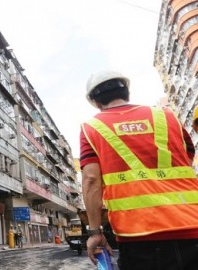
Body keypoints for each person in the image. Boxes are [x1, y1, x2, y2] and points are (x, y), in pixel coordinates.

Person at [80, 70, 198, 269]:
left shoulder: (91, 128)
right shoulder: (167, 116)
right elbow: (186, 156)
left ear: (95, 101)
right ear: (127, 92)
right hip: (191, 223)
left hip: (138, 234)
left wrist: (95, 232)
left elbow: (91, 179)